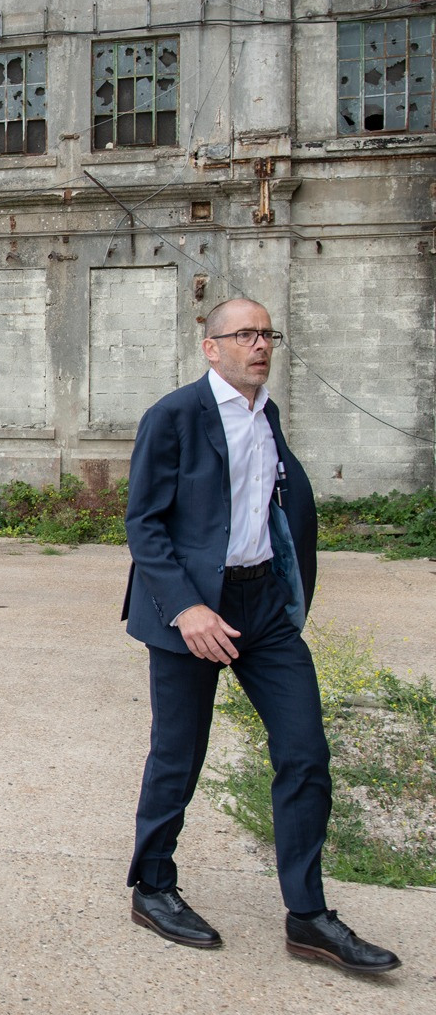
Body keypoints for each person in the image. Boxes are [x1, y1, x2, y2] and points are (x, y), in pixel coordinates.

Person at [122, 298, 400, 974]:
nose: (259, 344)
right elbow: (144, 523)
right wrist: (187, 608)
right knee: (178, 756)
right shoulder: (175, 415)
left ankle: (307, 918)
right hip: (191, 609)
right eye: (243, 334)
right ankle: (152, 886)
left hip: (261, 605)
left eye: (266, 333)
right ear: (210, 347)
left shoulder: (265, 413)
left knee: (305, 750)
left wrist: (285, 588)